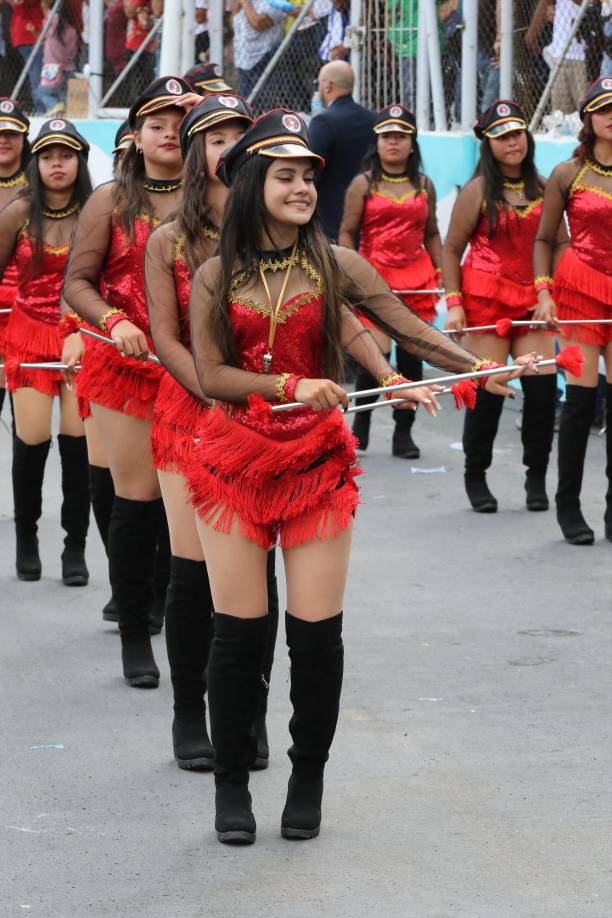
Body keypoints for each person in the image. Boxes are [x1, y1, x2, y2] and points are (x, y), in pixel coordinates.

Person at [184, 108, 535, 845]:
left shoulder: (336, 266)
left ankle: (307, 775)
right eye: (285, 175)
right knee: (239, 638)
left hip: (315, 464)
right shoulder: (215, 273)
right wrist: (290, 386)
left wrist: (484, 366)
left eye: (309, 174)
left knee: (316, 639)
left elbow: (408, 328)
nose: (305, 186)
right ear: (251, 183)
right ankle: (231, 788)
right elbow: (212, 375)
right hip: (235, 462)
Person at [145, 94, 280, 771]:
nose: (227, 145)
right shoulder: (168, 238)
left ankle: (251, 712)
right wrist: (216, 391)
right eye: (214, 135)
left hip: (271, 417)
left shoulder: (283, 228)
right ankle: (186, 712)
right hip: (191, 413)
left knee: (260, 571)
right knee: (194, 571)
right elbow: (165, 338)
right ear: (195, 152)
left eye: (238, 133)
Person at [62, 76, 199, 689]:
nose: (170, 131)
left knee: (188, 507)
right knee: (138, 502)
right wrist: (113, 321)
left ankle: (173, 609)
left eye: (180, 120)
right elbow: (77, 284)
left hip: (198, 373)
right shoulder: (110, 200)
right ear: (135, 137)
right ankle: (135, 635)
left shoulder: (217, 196)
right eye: (156, 122)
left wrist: (213, 117)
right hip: (126, 370)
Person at [443, 100, 568, 514]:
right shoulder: (478, 190)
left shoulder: (546, 185)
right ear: (488, 144)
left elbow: (560, 243)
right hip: (485, 304)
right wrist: (455, 304)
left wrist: (557, 292)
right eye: (502, 137)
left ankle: (536, 476)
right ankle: (475, 475)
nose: (512, 143)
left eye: (516, 134)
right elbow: (452, 248)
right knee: (488, 392)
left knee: (542, 392)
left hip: (533, 303)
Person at [0, 118, 92, 583]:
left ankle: (74, 546)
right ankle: (27, 537)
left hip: (80, 339)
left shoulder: (97, 212)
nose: (57, 164)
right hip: (28, 335)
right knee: (30, 444)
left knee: (77, 448)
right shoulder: (17, 212)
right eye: (49, 156)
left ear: (80, 160)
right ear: (37, 162)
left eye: (67, 156)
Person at [534, 77, 612, 544]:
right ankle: (569, 507)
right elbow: (544, 238)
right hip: (581, 292)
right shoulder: (569, 172)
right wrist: (544, 294)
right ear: (587, 118)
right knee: (581, 404)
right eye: (603, 108)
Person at [339, 104, 442, 458]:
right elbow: (347, 233)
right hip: (374, 281)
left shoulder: (424, 184)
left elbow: (431, 234)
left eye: (400, 136)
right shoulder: (362, 183)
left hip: (417, 280)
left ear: (412, 143)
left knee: (412, 359)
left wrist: (441, 273)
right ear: (377, 142)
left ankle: (404, 433)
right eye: (386, 137)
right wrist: (350, 274)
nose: (393, 143)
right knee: (375, 356)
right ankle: (362, 424)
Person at [309, 60, 376, 240]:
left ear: (327, 86)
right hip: (369, 217)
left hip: (331, 221)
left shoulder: (322, 122)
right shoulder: (373, 119)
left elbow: (312, 173)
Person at [0, 98, 29, 424]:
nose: (4, 140)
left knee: (22, 418)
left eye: (13, 133)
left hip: (26, 315)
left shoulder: (42, 188)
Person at [230, 0, 286, 101]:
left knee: (263, 106)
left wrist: (245, 3)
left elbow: (257, 24)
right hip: (243, 62)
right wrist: (236, 8)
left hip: (263, 61)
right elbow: (234, 25)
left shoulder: (276, 3)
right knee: (246, 107)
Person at [40, 3, 79, 116]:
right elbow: (72, 52)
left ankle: (53, 105)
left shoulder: (51, 23)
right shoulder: (72, 30)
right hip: (68, 66)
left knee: (43, 92)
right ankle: (63, 113)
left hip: (51, 66)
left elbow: (44, 7)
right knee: (64, 95)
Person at [9, 0, 45, 113]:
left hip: (25, 35)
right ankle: (41, 110)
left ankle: (40, 107)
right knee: (37, 76)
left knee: (35, 75)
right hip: (31, 36)